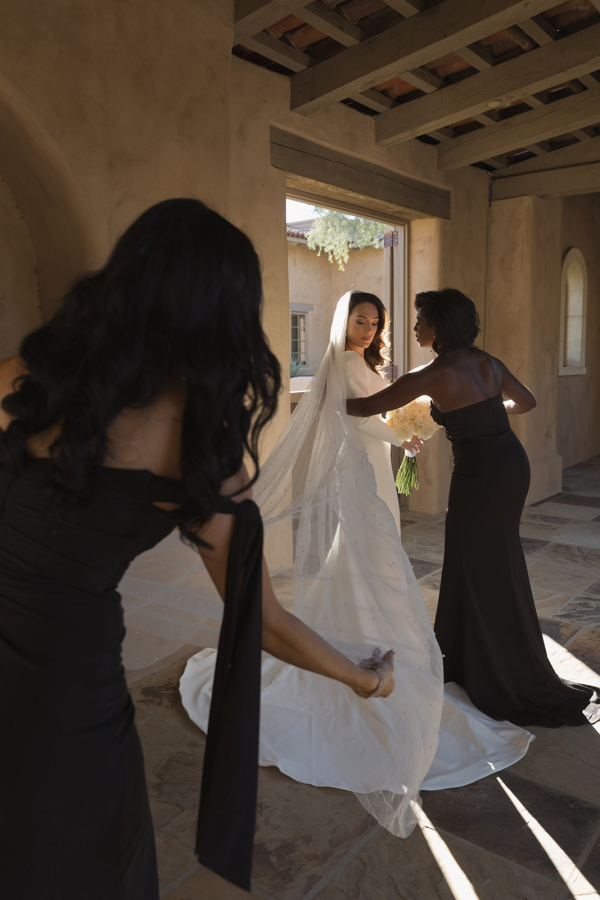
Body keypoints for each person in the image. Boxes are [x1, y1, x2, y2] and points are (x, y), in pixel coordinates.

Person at [0, 200, 395, 900]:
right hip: (62, 698)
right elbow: (263, 619)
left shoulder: (26, 377)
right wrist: (364, 678)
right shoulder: (199, 450)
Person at [179, 289, 532, 842]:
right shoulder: (346, 364)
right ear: (344, 321)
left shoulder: (374, 365)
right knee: (374, 550)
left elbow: (377, 408)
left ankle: (361, 623)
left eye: (376, 321)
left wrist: (410, 426)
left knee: (367, 551)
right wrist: (409, 431)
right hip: (367, 466)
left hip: (374, 465)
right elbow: (363, 416)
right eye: (360, 320)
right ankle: (369, 631)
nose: (368, 329)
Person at [347, 287, 599, 728]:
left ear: (440, 326)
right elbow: (527, 402)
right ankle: (476, 656)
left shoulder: (429, 374)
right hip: (511, 465)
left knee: (476, 561)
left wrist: (319, 400)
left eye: (420, 319)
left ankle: (494, 668)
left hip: (479, 475)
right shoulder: (488, 362)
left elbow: (366, 407)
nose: (415, 327)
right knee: (489, 559)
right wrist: (485, 412)